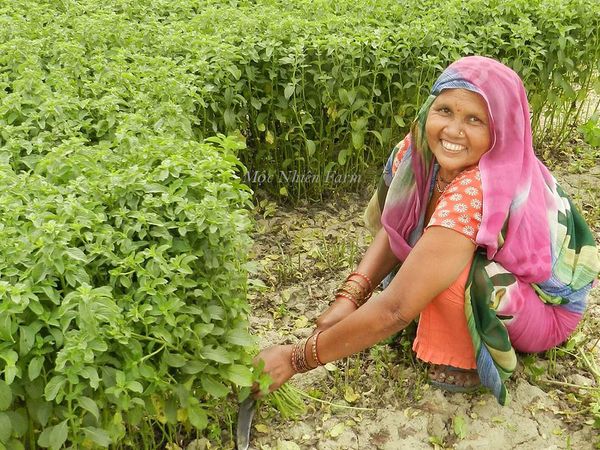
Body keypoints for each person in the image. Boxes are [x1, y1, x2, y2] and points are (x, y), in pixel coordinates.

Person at [254, 56, 600, 405]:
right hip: (473, 258)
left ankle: (465, 358)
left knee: (455, 274)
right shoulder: (419, 147)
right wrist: (350, 298)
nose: (452, 130)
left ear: (499, 132)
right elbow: (397, 227)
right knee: (425, 244)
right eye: (445, 110)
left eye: (474, 120)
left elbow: (396, 309)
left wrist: (295, 358)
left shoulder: (480, 188)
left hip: (544, 309)